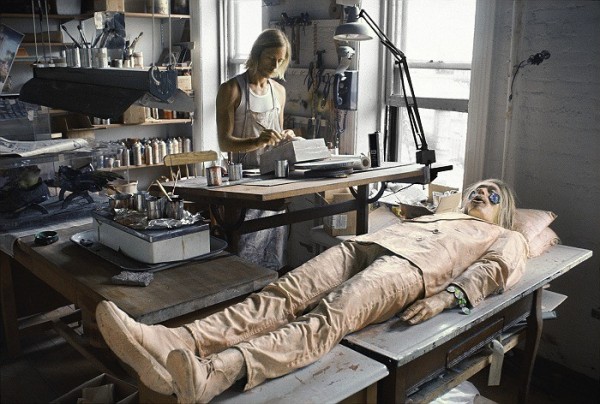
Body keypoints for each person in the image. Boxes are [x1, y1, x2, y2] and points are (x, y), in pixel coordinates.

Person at [96, 179, 528, 402]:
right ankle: (175, 340)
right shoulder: (443, 214)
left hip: (409, 270)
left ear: (504, 211)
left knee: (328, 317)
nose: (481, 194)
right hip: (366, 246)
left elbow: (494, 270)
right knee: (282, 293)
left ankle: (215, 373)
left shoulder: (505, 236)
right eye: (478, 189)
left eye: (492, 195)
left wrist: (445, 298)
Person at [215, 28, 298, 271]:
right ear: (256, 54)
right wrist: (257, 141)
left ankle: (271, 290)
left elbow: (277, 138)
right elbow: (224, 142)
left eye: (280, 60)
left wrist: (287, 137)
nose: (275, 65)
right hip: (242, 183)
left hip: (274, 180)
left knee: (275, 249)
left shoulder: (279, 91)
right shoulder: (231, 90)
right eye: (271, 58)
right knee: (244, 251)